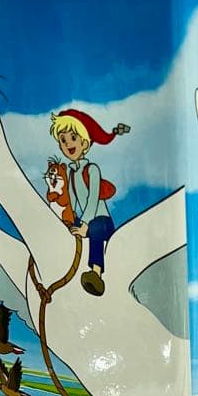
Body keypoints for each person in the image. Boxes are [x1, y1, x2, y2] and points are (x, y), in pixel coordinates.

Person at [48, 108, 129, 296]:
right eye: (63, 140)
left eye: (73, 138)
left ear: (84, 143)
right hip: (83, 218)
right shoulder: (71, 172)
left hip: (101, 220)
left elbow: (93, 200)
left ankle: (96, 274)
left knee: (96, 230)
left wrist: (85, 225)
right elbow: (72, 200)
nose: (68, 144)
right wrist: (69, 219)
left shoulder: (92, 170)